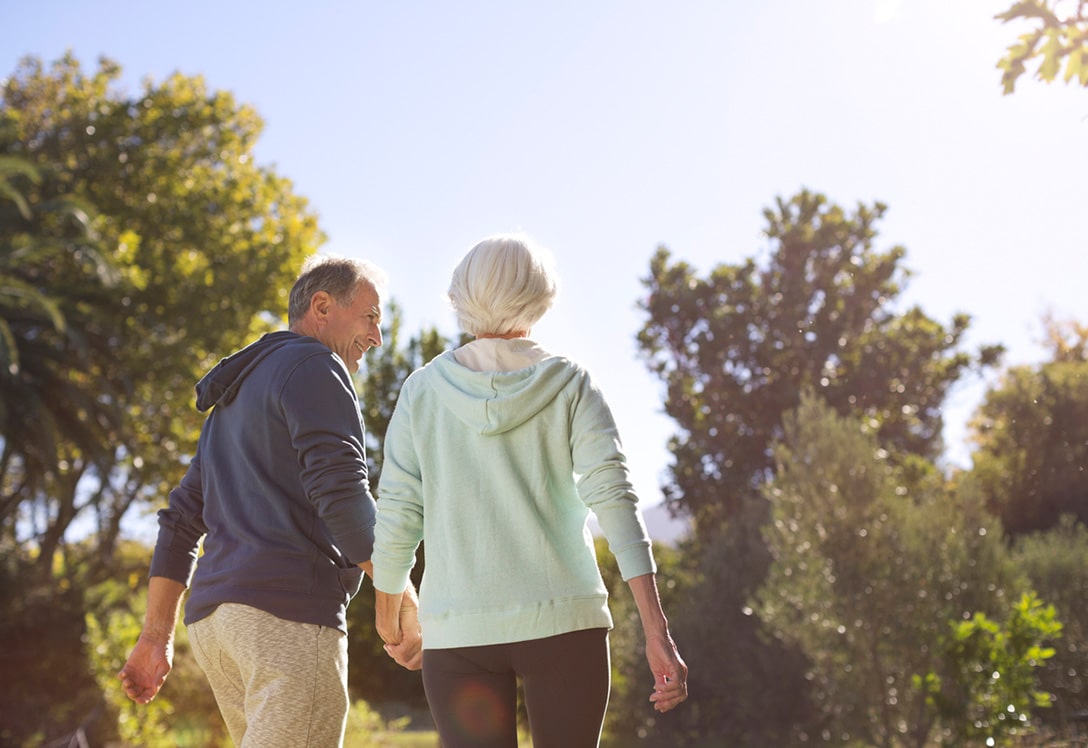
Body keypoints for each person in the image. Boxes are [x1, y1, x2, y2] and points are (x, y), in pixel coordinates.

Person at [371, 234, 688, 748]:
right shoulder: (570, 383)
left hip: (459, 634)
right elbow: (615, 499)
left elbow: (398, 513)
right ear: (540, 294)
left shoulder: (421, 391)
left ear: (461, 295)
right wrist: (657, 630)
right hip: (565, 624)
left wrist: (392, 623)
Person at [119, 255, 422, 747]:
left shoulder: (232, 401)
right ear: (322, 306)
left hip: (218, 626)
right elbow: (341, 492)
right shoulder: (316, 365)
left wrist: (155, 635)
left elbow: (179, 522)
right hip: (286, 617)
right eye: (370, 317)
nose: (377, 337)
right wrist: (401, 591)